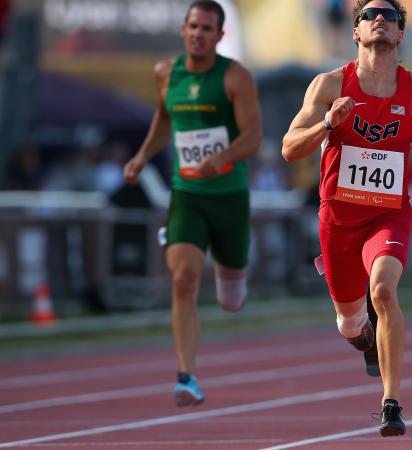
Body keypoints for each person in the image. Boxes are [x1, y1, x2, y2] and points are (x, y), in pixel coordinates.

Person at [281, 0, 412, 437]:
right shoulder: (329, 85)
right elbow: (290, 148)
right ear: (356, 32)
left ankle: (391, 403)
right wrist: (327, 124)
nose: (379, 20)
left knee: (383, 291)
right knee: (349, 321)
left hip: (388, 215)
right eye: (370, 15)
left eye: (390, 17)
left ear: (401, 35)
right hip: (339, 220)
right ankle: (364, 337)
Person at [123, 0, 262, 407]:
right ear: (183, 30)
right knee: (183, 279)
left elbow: (254, 137)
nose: (198, 34)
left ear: (220, 36)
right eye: (193, 26)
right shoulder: (166, 74)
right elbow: (164, 119)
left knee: (231, 301)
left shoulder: (235, 77)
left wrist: (221, 158)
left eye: (207, 29)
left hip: (229, 197)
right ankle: (186, 375)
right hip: (187, 194)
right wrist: (142, 156)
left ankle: (232, 272)